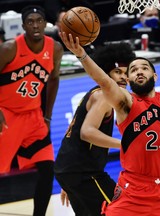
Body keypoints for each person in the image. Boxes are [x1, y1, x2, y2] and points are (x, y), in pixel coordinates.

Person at [59, 30, 160, 215]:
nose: (139, 71)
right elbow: (104, 81)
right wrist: (82, 55)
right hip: (133, 190)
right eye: (133, 70)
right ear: (128, 79)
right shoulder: (126, 102)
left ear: (155, 76)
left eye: (144, 68)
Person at [54, 42, 136, 216]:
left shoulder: (95, 93)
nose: (123, 78)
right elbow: (86, 132)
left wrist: (69, 180)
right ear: (106, 73)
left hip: (70, 170)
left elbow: (74, 132)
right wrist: (125, 143)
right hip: (84, 173)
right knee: (124, 210)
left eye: (125, 73)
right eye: (117, 72)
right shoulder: (103, 96)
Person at [0, 5, 63, 216]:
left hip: (34, 117)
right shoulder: (10, 48)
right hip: (6, 115)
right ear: (23, 26)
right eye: (30, 21)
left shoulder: (54, 48)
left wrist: (47, 115)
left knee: (47, 170)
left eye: (39, 21)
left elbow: (53, 80)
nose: (35, 25)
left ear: (46, 24)